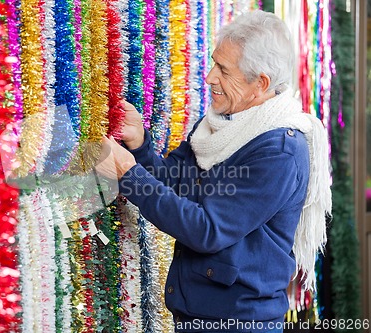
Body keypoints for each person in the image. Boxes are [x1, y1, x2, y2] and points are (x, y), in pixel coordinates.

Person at [95, 10, 331, 333]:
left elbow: (207, 229)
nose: (209, 77)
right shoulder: (219, 125)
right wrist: (140, 146)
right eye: (213, 63)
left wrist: (128, 174)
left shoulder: (279, 152)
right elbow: (172, 182)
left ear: (259, 84)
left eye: (223, 70)